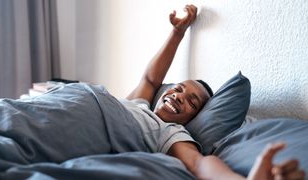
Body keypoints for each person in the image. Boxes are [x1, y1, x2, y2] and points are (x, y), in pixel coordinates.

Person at [124, 4, 305, 180]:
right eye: (178, 89)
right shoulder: (138, 104)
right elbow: (150, 79)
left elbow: (199, 164)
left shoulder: (170, 132)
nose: (178, 96)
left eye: (192, 102)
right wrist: (178, 32)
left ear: (191, 120)